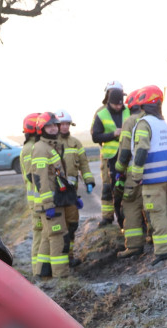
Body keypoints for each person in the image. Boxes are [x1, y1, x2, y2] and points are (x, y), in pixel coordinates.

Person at [126, 85, 167, 265]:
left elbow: (141, 150)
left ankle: (163, 251)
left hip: (152, 178)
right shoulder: (161, 122)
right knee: (166, 212)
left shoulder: (144, 123)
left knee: (156, 214)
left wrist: (136, 173)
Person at [29, 112, 72, 278]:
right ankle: (61, 275)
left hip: (55, 201)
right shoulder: (41, 149)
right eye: (49, 126)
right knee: (57, 236)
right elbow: (41, 178)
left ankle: (42, 274)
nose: (54, 128)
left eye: (55, 125)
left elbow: (57, 176)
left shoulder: (52, 146)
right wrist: (48, 204)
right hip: (49, 203)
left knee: (48, 237)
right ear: (41, 129)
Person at [54, 109, 95, 266]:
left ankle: (69, 256)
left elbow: (84, 164)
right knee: (59, 226)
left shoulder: (75, 143)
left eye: (67, 124)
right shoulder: (50, 144)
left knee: (72, 224)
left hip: (71, 192)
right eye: (61, 124)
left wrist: (89, 180)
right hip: (56, 193)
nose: (64, 127)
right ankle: (59, 259)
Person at [90, 81, 130, 227]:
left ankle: (128, 218)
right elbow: (95, 135)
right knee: (109, 188)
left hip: (128, 155)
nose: (118, 106)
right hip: (109, 157)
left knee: (129, 187)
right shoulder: (101, 113)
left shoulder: (128, 110)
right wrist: (113, 134)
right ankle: (108, 217)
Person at [114, 90, 146, 257]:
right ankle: (156, 240)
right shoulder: (154, 120)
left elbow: (125, 150)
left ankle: (134, 246)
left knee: (131, 206)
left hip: (134, 172)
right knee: (151, 206)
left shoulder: (130, 121)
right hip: (153, 173)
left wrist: (119, 170)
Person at [20, 112, 47, 277]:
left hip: (36, 199)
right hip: (37, 200)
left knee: (41, 233)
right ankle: (38, 271)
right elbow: (35, 175)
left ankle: (39, 269)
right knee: (40, 235)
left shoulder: (29, 147)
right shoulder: (32, 149)